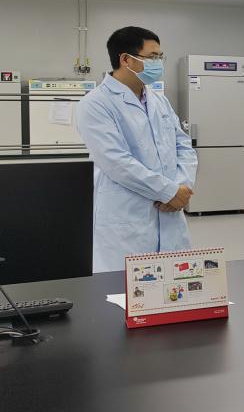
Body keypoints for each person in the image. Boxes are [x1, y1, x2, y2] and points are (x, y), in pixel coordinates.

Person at [77, 26, 197, 273]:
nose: (158, 63)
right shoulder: (96, 103)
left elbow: (183, 144)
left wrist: (181, 188)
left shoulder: (159, 100)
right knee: (123, 290)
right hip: (127, 216)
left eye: (160, 57)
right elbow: (116, 161)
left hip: (171, 212)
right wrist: (168, 192)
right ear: (125, 59)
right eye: (152, 57)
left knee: (173, 286)